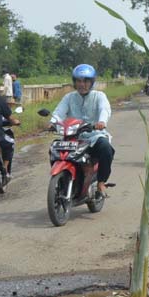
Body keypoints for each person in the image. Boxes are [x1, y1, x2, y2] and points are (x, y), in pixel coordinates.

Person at [51, 64, 114, 197]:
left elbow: (105, 109)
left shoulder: (99, 96)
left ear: (92, 82)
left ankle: (101, 182)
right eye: (79, 81)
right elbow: (59, 112)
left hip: (94, 136)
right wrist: (52, 122)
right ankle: (61, 178)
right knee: (53, 149)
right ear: (74, 82)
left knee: (106, 148)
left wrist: (102, 122)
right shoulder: (69, 97)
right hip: (73, 137)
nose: (82, 84)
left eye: (86, 81)